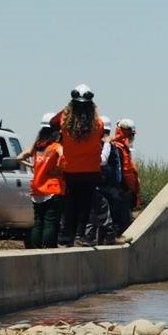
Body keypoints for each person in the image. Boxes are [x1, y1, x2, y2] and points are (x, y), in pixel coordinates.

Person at [50, 84, 104, 246]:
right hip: (91, 170)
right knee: (85, 205)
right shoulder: (98, 124)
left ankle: (67, 237)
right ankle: (81, 236)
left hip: (71, 170)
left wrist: (68, 107)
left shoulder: (64, 121)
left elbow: (53, 122)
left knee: (71, 203)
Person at [24, 115, 66, 248]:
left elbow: (20, 157)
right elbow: (64, 157)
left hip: (37, 189)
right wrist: (59, 170)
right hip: (52, 189)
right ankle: (48, 248)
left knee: (38, 221)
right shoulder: (56, 146)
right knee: (50, 221)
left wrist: (34, 166)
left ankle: (36, 248)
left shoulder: (37, 146)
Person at [111, 118, 140, 234]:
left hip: (125, 192)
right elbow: (123, 173)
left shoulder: (123, 148)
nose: (132, 136)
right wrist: (128, 190)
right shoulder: (118, 148)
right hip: (121, 192)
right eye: (131, 134)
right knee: (121, 225)